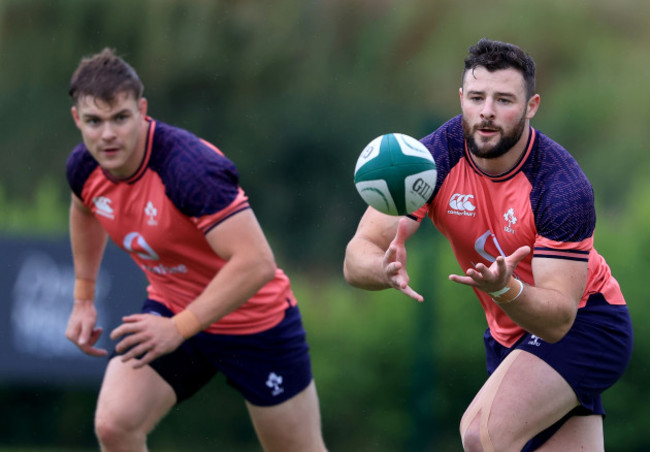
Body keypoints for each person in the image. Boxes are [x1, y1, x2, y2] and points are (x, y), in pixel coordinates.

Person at [343, 38, 633, 451]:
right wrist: (384, 269)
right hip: (508, 336)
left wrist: (504, 288)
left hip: (587, 326)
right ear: (462, 98)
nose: (487, 112)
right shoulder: (431, 161)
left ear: (532, 106)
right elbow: (357, 256)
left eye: (504, 100)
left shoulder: (561, 186)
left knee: (483, 434)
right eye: (477, 97)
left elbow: (557, 320)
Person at [64, 47, 327, 452]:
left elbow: (256, 262)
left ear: (143, 110)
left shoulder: (189, 170)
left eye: (120, 118)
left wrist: (179, 328)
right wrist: (83, 298)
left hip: (257, 324)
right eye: (94, 122)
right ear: (77, 119)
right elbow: (84, 210)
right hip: (171, 311)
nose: (108, 135)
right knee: (114, 425)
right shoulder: (84, 166)